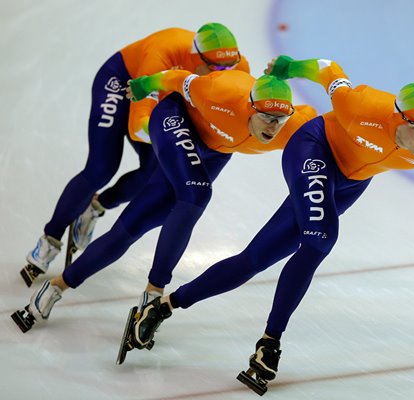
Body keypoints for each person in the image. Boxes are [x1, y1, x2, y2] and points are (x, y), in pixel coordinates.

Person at [128, 56, 414, 392]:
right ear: (396, 117)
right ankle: (269, 343)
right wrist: (289, 66)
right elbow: (328, 69)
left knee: (254, 260)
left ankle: (165, 306)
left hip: (350, 182)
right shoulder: (360, 106)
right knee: (318, 241)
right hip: (314, 148)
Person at [13, 66, 318, 336]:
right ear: (250, 107)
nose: (273, 126)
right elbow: (175, 77)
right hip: (175, 120)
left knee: (136, 223)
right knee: (197, 192)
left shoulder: (294, 125)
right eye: (266, 116)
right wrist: (145, 85)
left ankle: (55, 287)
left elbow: (328, 135)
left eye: (280, 118)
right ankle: (154, 291)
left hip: (215, 150)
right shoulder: (219, 91)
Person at [21, 23, 250, 287]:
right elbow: (138, 125)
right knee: (101, 168)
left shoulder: (238, 67)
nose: (223, 73)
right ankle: (49, 240)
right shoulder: (163, 52)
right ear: (196, 56)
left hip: (162, 97)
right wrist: (171, 139)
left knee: (152, 174)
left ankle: (97, 206)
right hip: (123, 83)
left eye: (229, 67)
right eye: (215, 67)